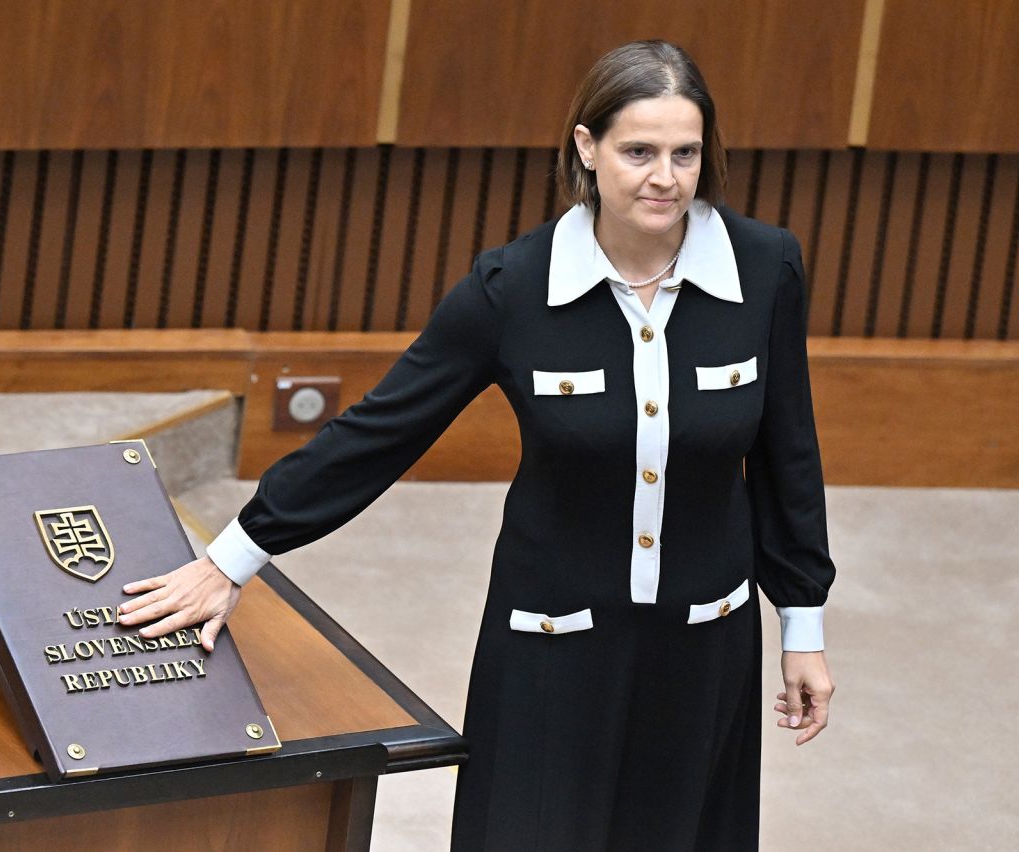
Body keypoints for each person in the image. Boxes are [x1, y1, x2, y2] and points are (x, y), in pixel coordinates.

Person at [118, 39, 836, 850]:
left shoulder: (765, 268)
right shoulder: (513, 287)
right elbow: (380, 432)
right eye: (638, 151)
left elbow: (788, 454)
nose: (663, 178)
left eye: (685, 153)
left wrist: (801, 624)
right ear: (587, 149)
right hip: (549, 647)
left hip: (704, 647)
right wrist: (232, 559)